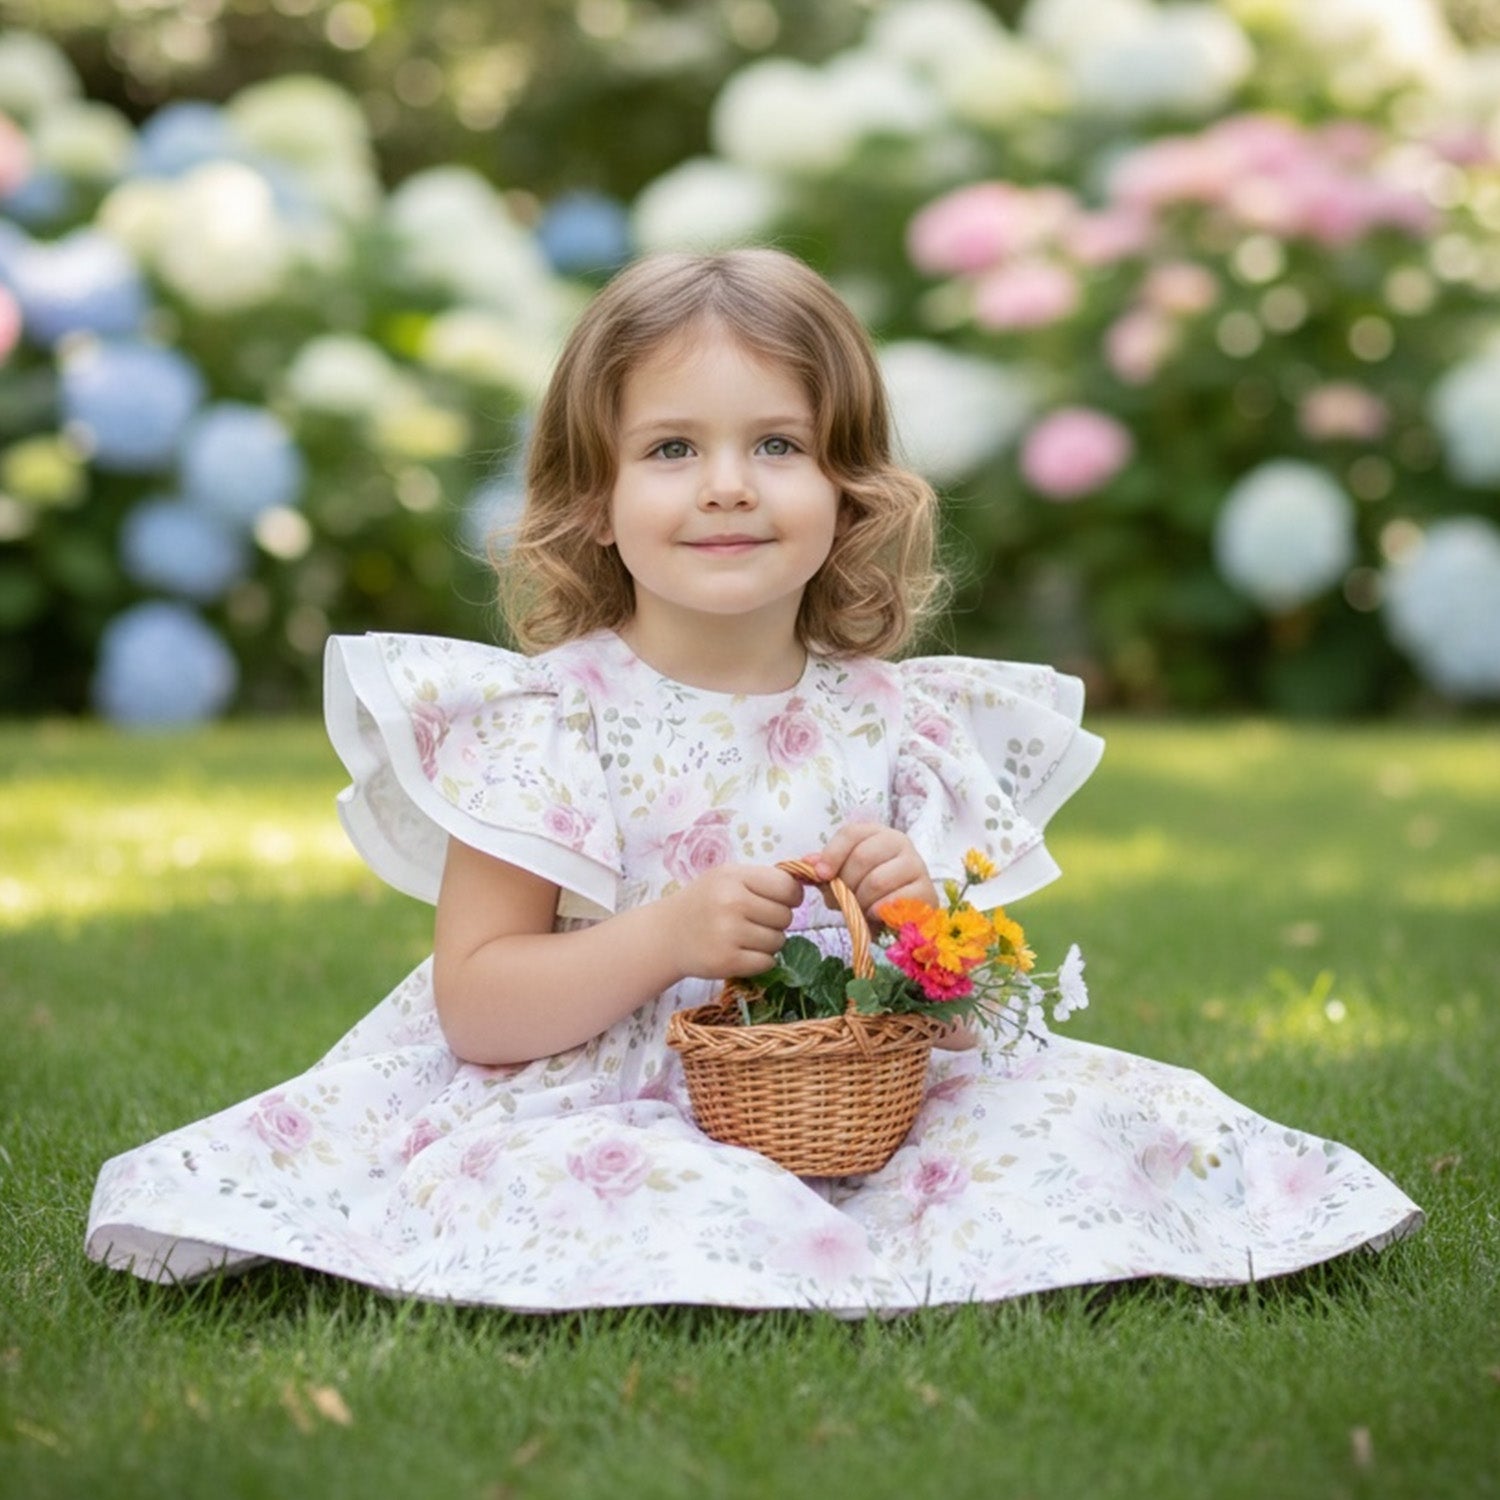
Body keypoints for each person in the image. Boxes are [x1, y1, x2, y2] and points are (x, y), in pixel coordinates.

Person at [86, 249, 1421, 1312]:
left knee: (1114, 1128)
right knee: (641, 1191)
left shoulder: (902, 725)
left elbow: (951, 1022)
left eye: (777, 446)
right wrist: (659, 937)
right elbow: (479, 1006)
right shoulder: (549, 721)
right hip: (600, 1087)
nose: (727, 487)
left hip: (853, 1108)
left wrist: (915, 930)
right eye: (672, 449)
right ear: (594, 498)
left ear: (847, 490)